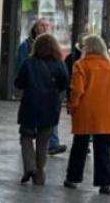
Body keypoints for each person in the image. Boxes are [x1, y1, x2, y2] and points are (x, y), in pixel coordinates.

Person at [64, 34, 110, 195]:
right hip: (106, 113)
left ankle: (73, 178)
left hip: (85, 112)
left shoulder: (81, 65)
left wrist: (73, 104)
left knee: (79, 147)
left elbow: (77, 89)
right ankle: (106, 183)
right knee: (104, 149)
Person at [14, 32, 70, 186]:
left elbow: (19, 83)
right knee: (43, 142)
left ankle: (29, 167)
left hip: (30, 106)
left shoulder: (29, 62)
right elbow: (65, 84)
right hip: (50, 107)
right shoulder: (60, 64)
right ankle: (39, 174)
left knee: (26, 138)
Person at [16, 18, 66, 156]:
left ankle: (53, 144)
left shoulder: (52, 46)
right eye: (41, 25)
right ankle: (40, 160)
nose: (45, 27)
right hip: (34, 90)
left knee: (49, 118)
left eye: (47, 25)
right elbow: (21, 68)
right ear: (35, 28)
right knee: (36, 123)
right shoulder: (26, 46)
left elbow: (62, 73)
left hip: (49, 90)